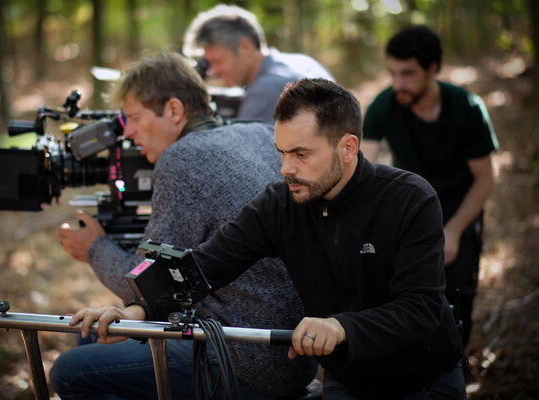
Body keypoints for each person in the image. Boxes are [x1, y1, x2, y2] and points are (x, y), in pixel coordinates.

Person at [82, 78, 466, 399]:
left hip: (425, 380)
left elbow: (421, 307)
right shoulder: (280, 203)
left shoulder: (410, 197)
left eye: (301, 154)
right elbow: (203, 266)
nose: (287, 169)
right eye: (282, 153)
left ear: (348, 148)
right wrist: (137, 310)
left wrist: (341, 326)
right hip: (347, 380)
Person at [51, 52, 318, 399]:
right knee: (92, 335)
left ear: (175, 110)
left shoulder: (184, 157)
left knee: (71, 372)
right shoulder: (256, 133)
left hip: (240, 360)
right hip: (294, 354)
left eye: (133, 117)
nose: (127, 132)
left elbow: (144, 285)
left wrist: (94, 248)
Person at [361, 25, 498, 348]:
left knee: (458, 293)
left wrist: (453, 231)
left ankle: (455, 366)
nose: (398, 83)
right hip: (410, 205)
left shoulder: (467, 107)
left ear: (433, 68)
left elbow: (485, 179)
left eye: (407, 73)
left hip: (460, 208)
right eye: (392, 72)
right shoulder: (385, 105)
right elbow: (364, 170)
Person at [183, 4, 334, 124]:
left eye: (217, 61)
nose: (212, 71)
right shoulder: (301, 60)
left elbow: (238, 151)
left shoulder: (267, 88)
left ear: (246, 46)